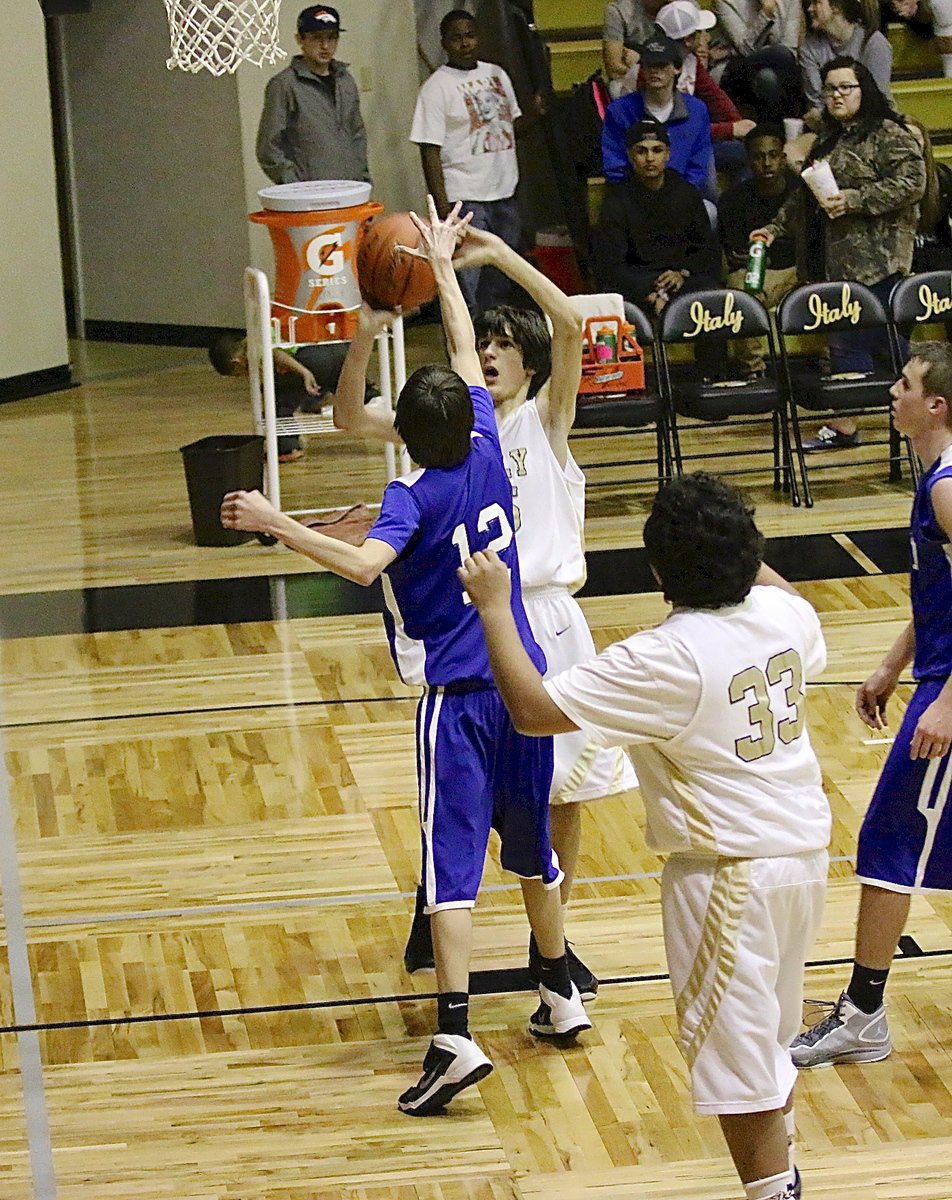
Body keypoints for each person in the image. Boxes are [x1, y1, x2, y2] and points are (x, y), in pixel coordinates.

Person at [221, 200, 590, 1116]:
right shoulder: (487, 454)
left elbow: (358, 567)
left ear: (408, 433)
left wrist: (279, 521)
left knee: (451, 867)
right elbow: (463, 354)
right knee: (535, 847)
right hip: (528, 674)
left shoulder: (411, 496)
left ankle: (455, 1033)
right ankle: (559, 989)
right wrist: (443, 269)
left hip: (460, 697)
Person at [458, 472, 831, 1200]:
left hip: (730, 876)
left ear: (658, 567)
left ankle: (774, 1193)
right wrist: (728, 533)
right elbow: (782, 592)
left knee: (740, 1070)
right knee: (767, 1050)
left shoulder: (667, 655)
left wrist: (496, 609)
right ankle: (783, 1179)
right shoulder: (787, 618)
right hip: (802, 864)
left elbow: (534, 711)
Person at [332, 225, 636, 994]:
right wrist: (366, 337)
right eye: (485, 342)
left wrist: (498, 257)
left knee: (565, 791)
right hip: (471, 621)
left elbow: (570, 323)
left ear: (529, 364)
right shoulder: (448, 429)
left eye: (507, 345)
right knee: (459, 782)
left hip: (550, 620)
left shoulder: (545, 420)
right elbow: (347, 418)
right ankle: (434, 908)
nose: (490, 353)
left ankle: (552, 947)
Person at [790, 342, 952, 1070]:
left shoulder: (948, 487)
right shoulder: (934, 481)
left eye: (906, 384)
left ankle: (862, 1013)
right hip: (937, 678)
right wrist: (893, 662)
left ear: (936, 405)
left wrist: (945, 701)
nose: (892, 391)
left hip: (950, 697)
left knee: (887, 845)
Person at [755, 57, 925, 450]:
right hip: (840, 264)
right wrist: (774, 229)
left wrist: (855, 200)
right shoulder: (830, 139)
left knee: (889, 348)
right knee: (848, 345)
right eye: (830, 88)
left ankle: (932, 415)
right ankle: (846, 425)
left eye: (845, 87)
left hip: (882, 260)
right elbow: (805, 198)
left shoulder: (888, 132)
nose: (836, 95)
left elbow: (913, 182)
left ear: (864, 90)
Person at [410, 9, 524, 314]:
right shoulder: (436, 87)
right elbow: (429, 150)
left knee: (501, 281)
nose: (465, 43)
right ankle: (464, 352)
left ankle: (491, 347)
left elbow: (512, 127)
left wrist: (539, 111)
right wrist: (443, 208)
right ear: (445, 43)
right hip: (465, 200)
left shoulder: (497, 75)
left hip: (505, 195)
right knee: (466, 287)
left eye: (470, 35)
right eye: (456, 38)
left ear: (479, 37)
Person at [594, 120, 723, 382]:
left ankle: (712, 383)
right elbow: (610, 264)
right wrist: (651, 292)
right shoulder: (616, 200)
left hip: (680, 280)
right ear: (630, 156)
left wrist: (683, 273)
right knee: (611, 297)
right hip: (637, 284)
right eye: (641, 151)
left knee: (712, 296)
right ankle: (629, 385)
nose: (649, 158)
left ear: (668, 154)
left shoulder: (686, 193)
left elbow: (706, 251)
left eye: (656, 150)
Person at [208, 332, 377, 463]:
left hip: (311, 361)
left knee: (274, 398)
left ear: (236, 361)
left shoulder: (253, 348)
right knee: (352, 389)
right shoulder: (260, 332)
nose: (243, 376)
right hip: (336, 348)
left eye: (238, 374)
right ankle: (384, 407)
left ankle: (287, 447)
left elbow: (277, 355)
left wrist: (303, 372)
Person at [256, 5, 370, 186]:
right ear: (300, 39)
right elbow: (268, 148)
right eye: (317, 38)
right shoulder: (284, 85)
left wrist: (363, 181)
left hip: (350, 191)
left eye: (331, 38)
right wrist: (296, 186)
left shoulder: (345, 81)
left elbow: (357, 135)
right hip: (308, 198)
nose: (325, 46)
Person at [719, 125, 799, 378]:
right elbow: (735, 253)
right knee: (739, 288)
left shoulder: (802, 193)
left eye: (773, 155)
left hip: (799, 272)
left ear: (784, 158)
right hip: (759, 276)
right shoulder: (733, 199)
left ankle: (834, 364)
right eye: (758, 156)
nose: (767, 163)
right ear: (748, 160)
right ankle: (753, 371)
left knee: (833, 282)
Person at [654, 0, 756, 182]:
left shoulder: (689, 61)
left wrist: (740, 125)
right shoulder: (654, 73)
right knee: (708, 158)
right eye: (699, 32)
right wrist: (730, 129)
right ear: (688, 39)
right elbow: (673, 129)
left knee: (749, 152)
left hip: (690, 141)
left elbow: (715, 98)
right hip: (662, 150)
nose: (704, 36)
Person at [601, 34, 715, 192]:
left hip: (682, 197)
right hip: (634, 198)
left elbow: (699, 165)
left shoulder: (696, 110)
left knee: (710, 212)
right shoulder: (619, 110)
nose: (654, 71)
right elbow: (615, 164)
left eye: (661, 65)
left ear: (677, 69)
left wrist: (680, 196)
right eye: (649, 65)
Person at [799, 0, 893, 128]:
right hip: (829, 126)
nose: (810, 9)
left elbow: (877, 101)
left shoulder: (874, 43)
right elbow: (818, 102)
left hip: (872, 124)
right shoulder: (810, 49)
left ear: (836, 7)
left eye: (817, 3)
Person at [712, 0, 803, 123]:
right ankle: (791, 121)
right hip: (734, 68)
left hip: (777, 66)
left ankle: (774, 134)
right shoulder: (725, 1)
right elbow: (745, 49)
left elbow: (790, 48)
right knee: (779, 53)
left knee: (767, 77)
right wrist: (766, 14)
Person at [602, 0, 665, 93]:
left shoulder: (686, 8)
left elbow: (690, 60)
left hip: (674, 80)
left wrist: (639, 63)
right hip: (632, 83)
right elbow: (614, 69)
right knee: (616, 88)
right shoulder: (618, 11)